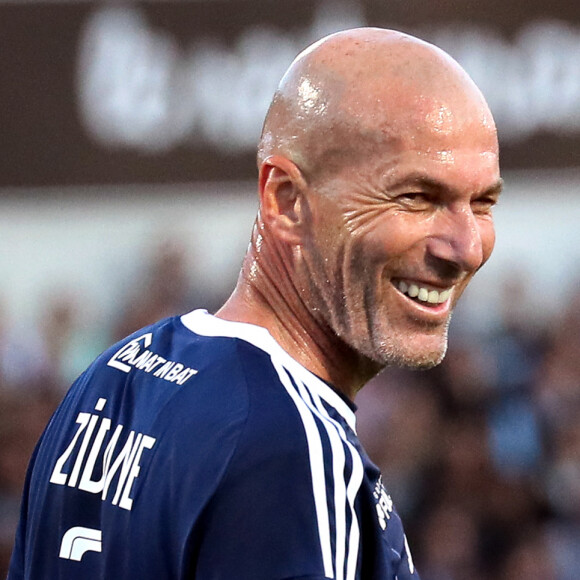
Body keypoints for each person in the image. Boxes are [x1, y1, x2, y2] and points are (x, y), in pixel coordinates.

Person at [8, 27, 502, 580]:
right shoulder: (291, 451)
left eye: (482, 202)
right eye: (417, 197)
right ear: (286, 201)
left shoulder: (110, 379)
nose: (465, 247)